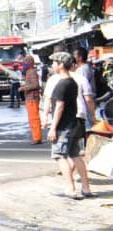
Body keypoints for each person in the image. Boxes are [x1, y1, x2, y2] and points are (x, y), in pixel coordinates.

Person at [48, 52, 93, 200]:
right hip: (74, 123)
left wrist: (53, 127)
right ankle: (86, 188)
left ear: (61, 65)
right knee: (75, 155)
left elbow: (59, 107)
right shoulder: (73, 82)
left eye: (54, 62)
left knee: (60, 156)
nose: (52, 65)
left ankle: (71, 188)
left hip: (64, 125)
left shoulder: (62, 83)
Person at [20, 54, 43, 144]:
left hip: (32, 98)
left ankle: (37, 138)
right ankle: (36, 137)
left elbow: (35, 85)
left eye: (25, 62)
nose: (24, 64)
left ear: (30, 62)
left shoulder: (32, 71)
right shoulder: (29, 72)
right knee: (32, 119)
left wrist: (24, 88)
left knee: (34, 119)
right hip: (30, 98)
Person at [72, 47, 97, 131]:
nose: (73, 57)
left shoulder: (83, 69)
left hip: (86, 101)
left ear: (80, 57)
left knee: (88, 127)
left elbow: (83, 88)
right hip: (85, 101)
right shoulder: (82, 68)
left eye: (75, 55)